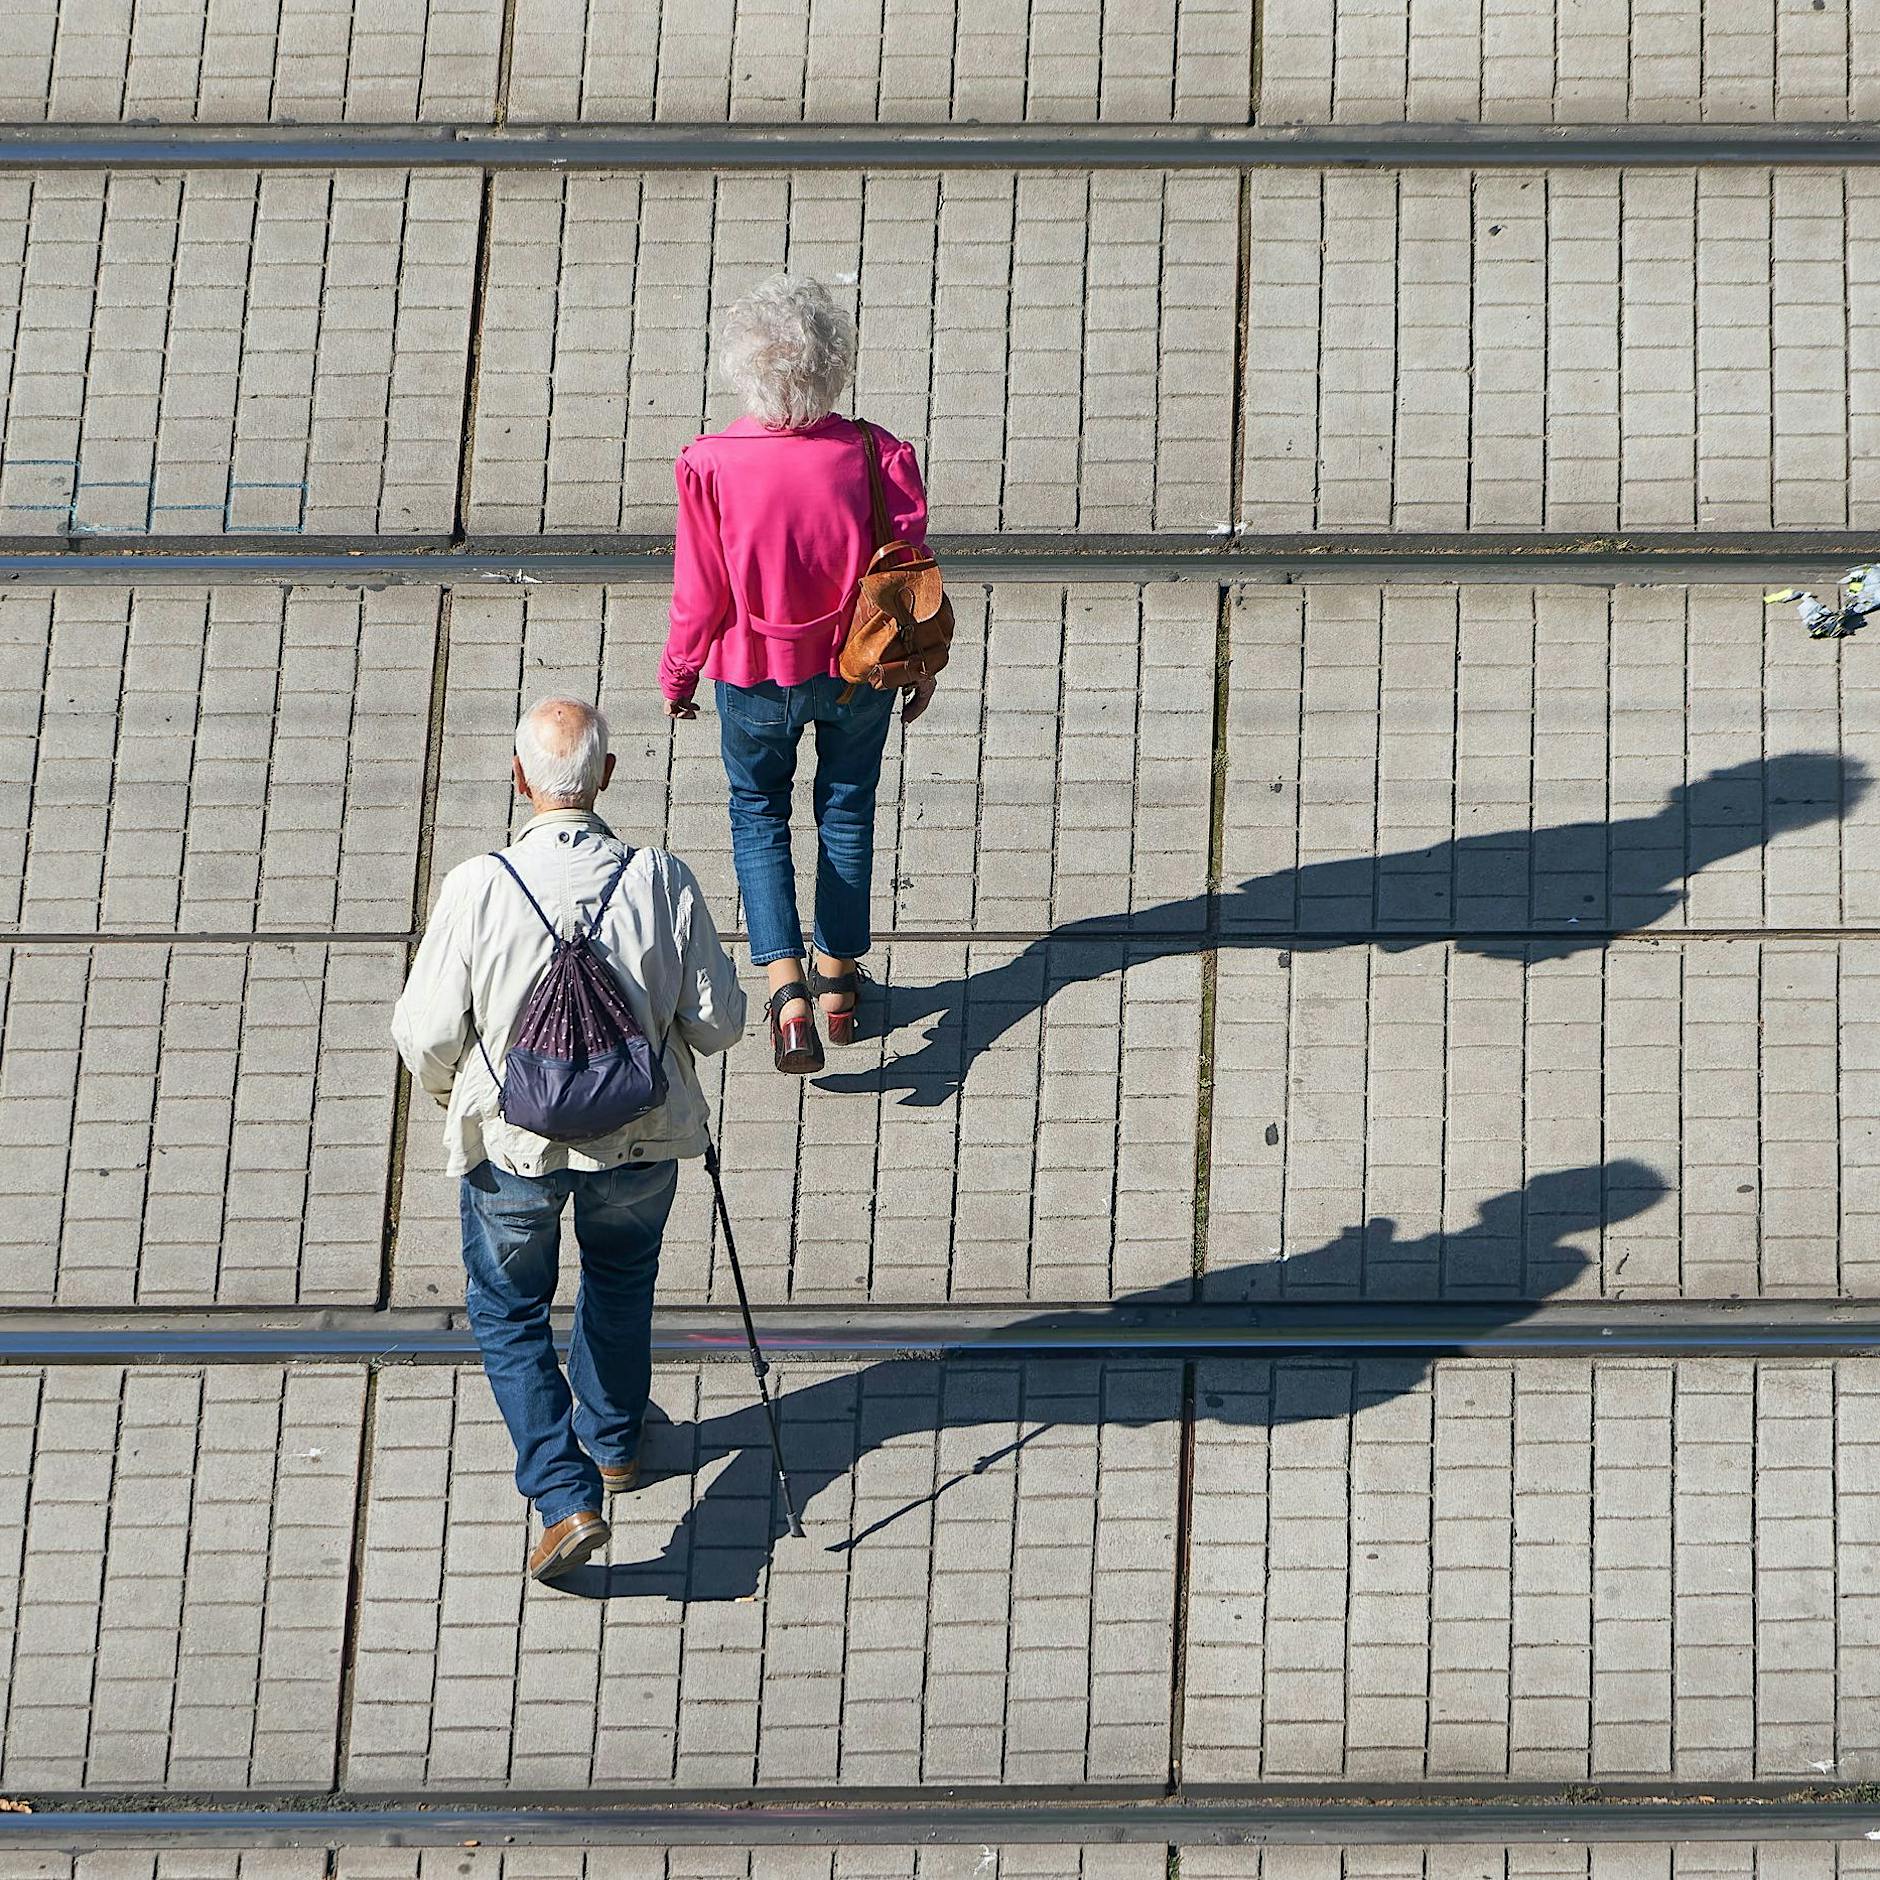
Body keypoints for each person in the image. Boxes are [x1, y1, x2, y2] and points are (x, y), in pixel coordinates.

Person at [391, 697, 746, 1583]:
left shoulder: (478, 886)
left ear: (520, 780)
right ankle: (616, 1442)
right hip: (641, 1139)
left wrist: (459, 1097)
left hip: (515, 1147)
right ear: (607, 777)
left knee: (510, 1313)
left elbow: (426, 1033)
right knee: (621, 1281)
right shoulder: (660, 879)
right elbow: (718, 1024)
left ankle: (565, 1495)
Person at [659, 272, 936, 1075]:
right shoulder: (877, 454)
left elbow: (700, 593)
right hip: (858, 672)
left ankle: (787, 1000)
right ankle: (839, 983)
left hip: (752, 676)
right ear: (834, 365)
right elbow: (909, 571)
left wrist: (679, 675)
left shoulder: (709, 464)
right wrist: (920, 665)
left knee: (758, 814)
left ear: (743, 369)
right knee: (847, 810)